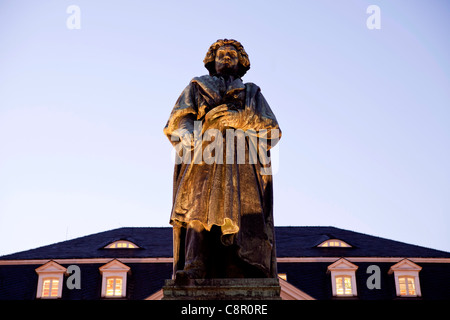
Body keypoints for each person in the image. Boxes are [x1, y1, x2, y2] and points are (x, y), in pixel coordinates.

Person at [163, 39, 281, 280]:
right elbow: (179, 121)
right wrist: (192, 135)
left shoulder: (252, 93)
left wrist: (242, 120)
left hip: (241, 161)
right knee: (197, 208)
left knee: (240, 212)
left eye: (232, 55)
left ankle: (239, 263)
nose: (226, 58)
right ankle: (196, 263)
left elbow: (272, 130)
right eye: (221, 54)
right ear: (211, 61)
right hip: (204, 155)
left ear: (241, 63)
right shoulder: (196, 87)